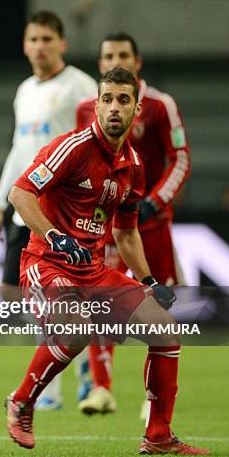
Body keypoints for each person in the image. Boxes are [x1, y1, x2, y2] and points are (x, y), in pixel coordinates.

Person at [4, 66, 209, 455]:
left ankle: (159, 436)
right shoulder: (74, 147)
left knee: (165, 332)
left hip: (94, 272)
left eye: (123, 100)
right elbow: (20, 194)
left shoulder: (133, 166)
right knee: (76, 327)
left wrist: (147, 281)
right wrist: (55, 236)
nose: (114, 107)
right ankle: (22, 401)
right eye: (107, 99)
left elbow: (126, 232)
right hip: (45, 264)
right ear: (97, 105)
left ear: (137, 111)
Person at [0, 10, 97, 409]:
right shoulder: (25, 90)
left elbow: (95, 145)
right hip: (24, 207)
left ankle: (54, 388)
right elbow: (20, 149)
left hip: (60, 211)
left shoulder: (81, 87)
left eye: (48, 39)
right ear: (24, 44)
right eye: (34, 39)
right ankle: (80, 362)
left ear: (62, 44)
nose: (40, 47)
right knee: (22, 297)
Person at [75, 33, 191, 417]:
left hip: (151, 223)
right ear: (99, 63)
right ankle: (102, 388)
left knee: (160, 305)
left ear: (138, 62)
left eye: (122, 54)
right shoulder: (86, 110)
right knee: (99, 304)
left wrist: (154, 202)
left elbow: (180, 159)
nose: (114, 60)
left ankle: (152, 397)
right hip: (108, 225)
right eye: (107, 54)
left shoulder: (160, 106)